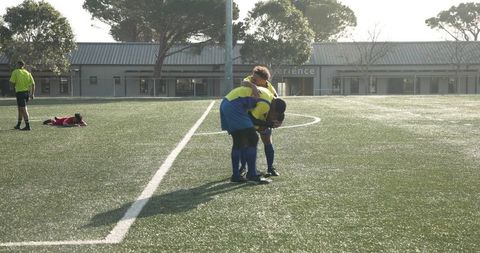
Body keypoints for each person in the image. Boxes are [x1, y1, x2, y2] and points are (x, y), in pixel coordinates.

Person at [220, 85, 285, 184]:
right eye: (274, 114)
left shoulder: (269, 95)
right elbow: (252, 119)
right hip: (235, 107)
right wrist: (268, 124)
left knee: (238, 141)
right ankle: (252, 175)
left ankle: (236, 175)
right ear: (274, 108)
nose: (272, 116)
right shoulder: (266, 104)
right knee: (253, 139)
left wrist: (265, 123)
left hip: (226, 103)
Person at [241, 66, 282, 177]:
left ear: (264, 80)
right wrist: (252, 86)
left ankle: (270, 168)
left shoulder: (269, 87)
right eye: (253, 78)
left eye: (256, 79)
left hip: (263, 119)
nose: (253, 79)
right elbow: (243, 82)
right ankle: (243, 168)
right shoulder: (250, 80)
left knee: (267, 141)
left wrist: (278, 119)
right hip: (248, 117)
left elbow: (277, 102)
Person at [9, 60, 35, 131]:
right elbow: (33, 84)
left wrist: (12, 89)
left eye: (17, 65)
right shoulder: (27, 73)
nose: (16, 66)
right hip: (26, 93)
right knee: (20, 109)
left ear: (19, 65)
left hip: (20, 93)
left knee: (23, 109)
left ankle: (28, 126)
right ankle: (18, 125)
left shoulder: (15, 72)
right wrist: (32, 94)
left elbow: (12, 82)